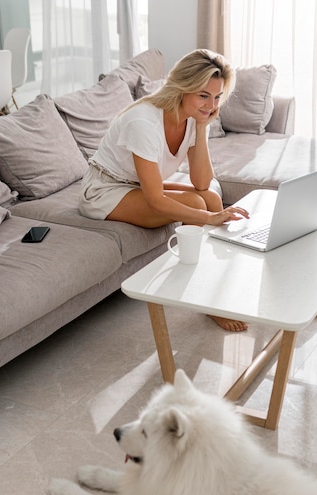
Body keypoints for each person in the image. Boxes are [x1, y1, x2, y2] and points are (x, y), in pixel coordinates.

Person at [79, 48, 249, 332]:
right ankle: (207, 298)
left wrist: (203, 126)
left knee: (208, 197)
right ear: (183, 88)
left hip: (134, 183)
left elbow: (202, 183)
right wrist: (210, 219)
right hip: (105, 189)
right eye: (203, 95)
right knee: (198, 206)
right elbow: (156, 201)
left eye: (217, 97)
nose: (211, 104)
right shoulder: (144, 122)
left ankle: (219, 281)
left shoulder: (194, 117)